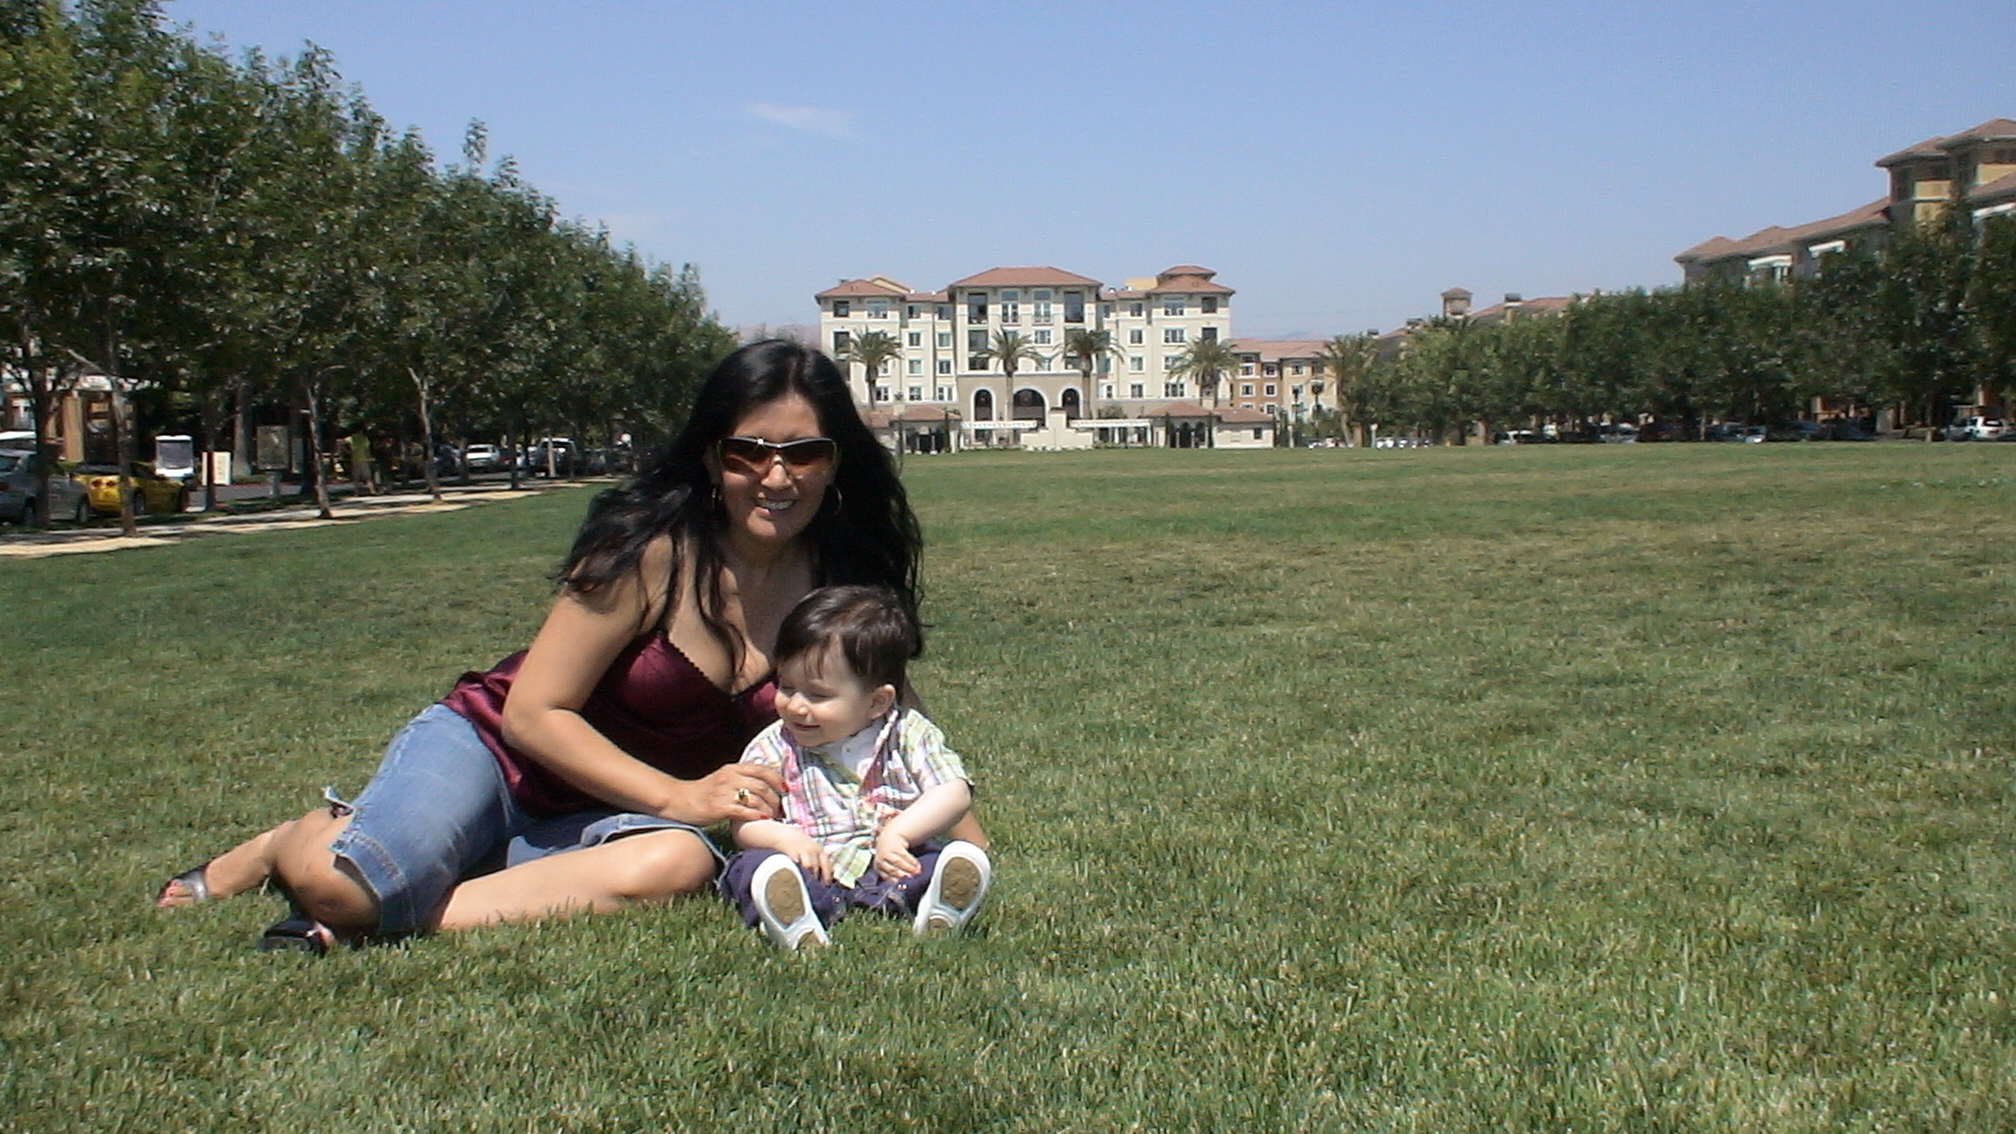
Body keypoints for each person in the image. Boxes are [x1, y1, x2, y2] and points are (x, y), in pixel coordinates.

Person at [155, 340, 983, 953]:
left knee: (678, 868)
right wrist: (682, 798)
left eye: (803, 453)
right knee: (341, 886)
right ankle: (291, 844)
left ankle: (406, 905)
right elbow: (534, 712)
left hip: (617, 814)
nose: (776, 477)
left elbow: (886, 716)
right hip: (498, 757)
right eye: (749, 452)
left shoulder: (840, 579)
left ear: (835, 464)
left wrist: (959, 838)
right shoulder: (647, 548)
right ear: (711, 457)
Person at [720, 585, 991, 951]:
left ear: (877, 702)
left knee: (928, 862)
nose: (795, 706)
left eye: (817, 695)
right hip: (809, 865)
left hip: (886, 863)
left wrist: (899, 834)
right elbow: (744, 816)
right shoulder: (774, 745)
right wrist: (783, 839)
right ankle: (794, 914)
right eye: (786, 687)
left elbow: (953, 791)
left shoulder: (908, 734)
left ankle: (938, 904)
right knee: (751, 867)